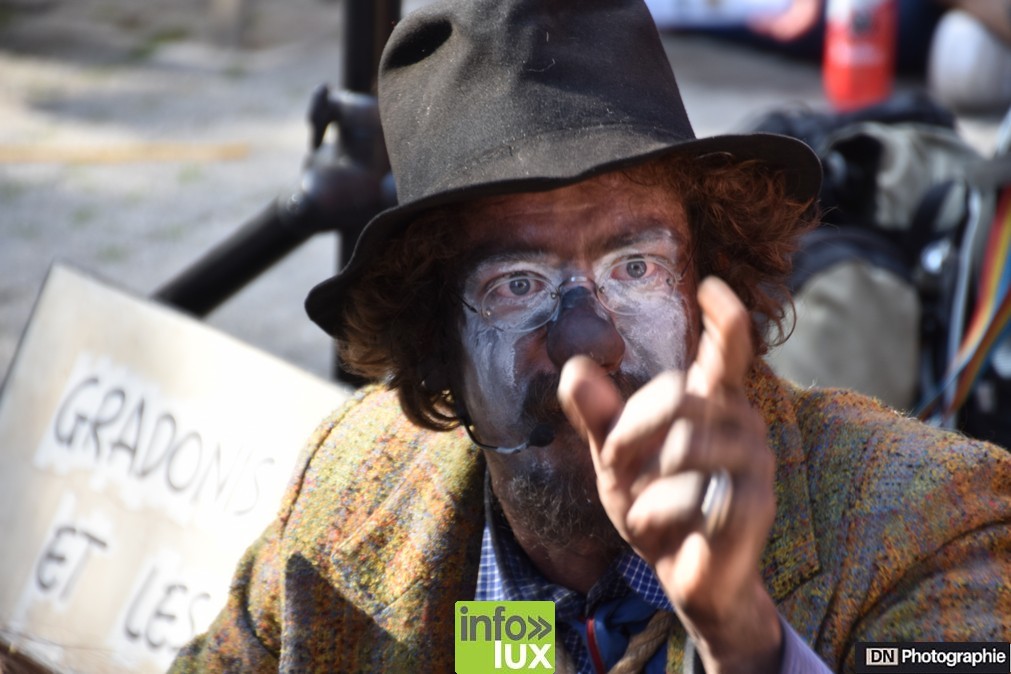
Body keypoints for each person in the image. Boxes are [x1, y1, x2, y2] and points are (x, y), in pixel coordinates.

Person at [169, 0, 1011, 672]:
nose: (588, 344)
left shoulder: (934, 517)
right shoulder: (343, 502)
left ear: (712, 278)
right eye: (516, 284)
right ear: (433, 344)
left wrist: (749, 643)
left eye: (635, 268)